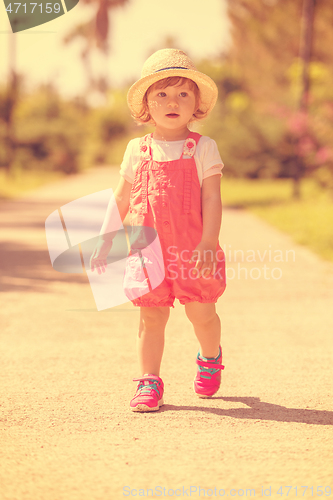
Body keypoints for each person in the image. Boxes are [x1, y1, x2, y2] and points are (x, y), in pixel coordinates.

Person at [90, 49, 226, 412]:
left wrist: (209, 241)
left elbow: (212, 198)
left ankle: (210, 357)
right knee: (151, 315)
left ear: (196, 103)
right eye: (161, 94)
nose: (172, 102)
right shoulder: (137, 149)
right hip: (147, 252)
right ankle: (149, 381)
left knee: (202, 314)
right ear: (146, 106)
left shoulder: (203, 148)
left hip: (194, 250)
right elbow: (121, 197)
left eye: (183, 94)